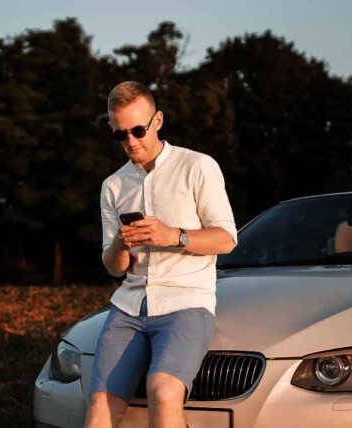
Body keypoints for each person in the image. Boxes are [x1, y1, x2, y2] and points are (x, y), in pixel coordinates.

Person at [84, 81, 237, 428]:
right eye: (120, 135)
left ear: (158, 121)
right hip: (128, 307)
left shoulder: (198, 166)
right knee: (97, 411)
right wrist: (122, 244)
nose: (131, 142)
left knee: (164, 392)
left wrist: (174, 235)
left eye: (138, 130)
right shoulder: (113, 186)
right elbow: (113, 267)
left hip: (185, 303)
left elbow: (226, 239)